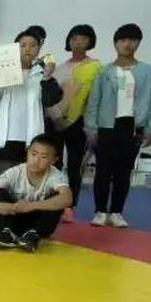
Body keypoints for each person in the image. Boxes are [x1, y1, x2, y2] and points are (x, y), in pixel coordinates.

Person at [85, 23, 151, 228]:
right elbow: (94, 101)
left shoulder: (148, 71)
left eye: (133, 40)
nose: (128, 44)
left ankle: (116, 211)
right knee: (103, 170)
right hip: (107, 125)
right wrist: (91, 128)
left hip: (133, 126)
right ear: (115, 43)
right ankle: (100, 210)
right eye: (123, 40)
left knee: (124, 172)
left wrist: (149, 128)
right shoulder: (104, 71)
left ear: (138, 43)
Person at [0, 28, 63, 173]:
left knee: (32, 180)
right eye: (23, 45)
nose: (27, 49)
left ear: (39, 49)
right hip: (7, 137)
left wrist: (47, 78)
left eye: (33, 45)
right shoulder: (2, 73)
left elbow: (51, 100)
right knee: (6, 180)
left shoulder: (42, 74)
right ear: (14, 49)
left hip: (32, 138)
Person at [45, 24, 101, 223]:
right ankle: (52, 202)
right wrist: (56, 118)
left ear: (90, 42)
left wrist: (92, 125)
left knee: (75, 165)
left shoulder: (96, 68)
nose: (78, 42)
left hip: (79, 123)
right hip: (55, 121)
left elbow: (96, 98)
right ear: (69, 41)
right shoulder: (59, 69)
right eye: (74, 38)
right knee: (54, 164)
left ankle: (70, 205)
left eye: (84, 38)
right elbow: (50, 98)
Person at [0, 134, 72, 252]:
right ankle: (6, 233)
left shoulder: (56, 176)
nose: (36, 161)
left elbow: (67, 198)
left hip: (37, 223)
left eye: (44, 157)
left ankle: (32, 235)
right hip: (13, 218)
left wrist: (30, 206)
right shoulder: (15, 172)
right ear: (27, 152)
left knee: (57, 198)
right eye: (33, 154)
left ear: (54, 160)